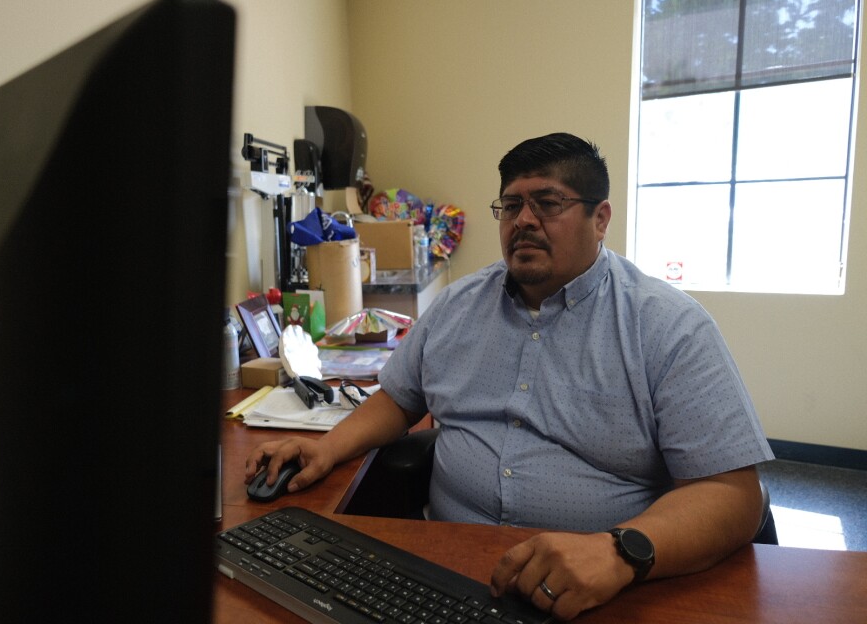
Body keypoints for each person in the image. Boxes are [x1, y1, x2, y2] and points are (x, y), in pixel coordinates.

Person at [245, 133, 774, 620]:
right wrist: (329, 448)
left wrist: (619, 551)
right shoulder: (457, 306)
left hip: (601, 586)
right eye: (511, 205)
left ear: (601, 218)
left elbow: (733, 494)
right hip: (446, 567)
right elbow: (399, 398)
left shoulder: (667, 327)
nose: (523, 220)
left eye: (547, 203)